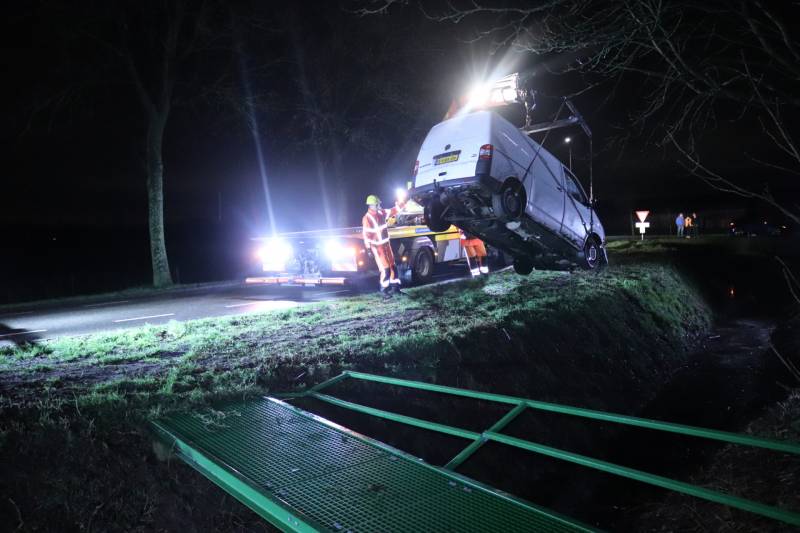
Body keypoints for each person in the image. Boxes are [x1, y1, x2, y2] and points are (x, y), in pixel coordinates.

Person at [362, 194, 404, 298]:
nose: (380, 205)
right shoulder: (367, 218)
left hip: (386, 244)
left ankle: (395, 288)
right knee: (385, 269)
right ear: (372, 205)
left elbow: (394, 210)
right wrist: (368, 249)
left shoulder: (381, 213)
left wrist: (401, 202)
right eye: (378, 204)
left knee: (393, 266)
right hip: (377, 247)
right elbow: (366, 235)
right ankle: (384, 290)